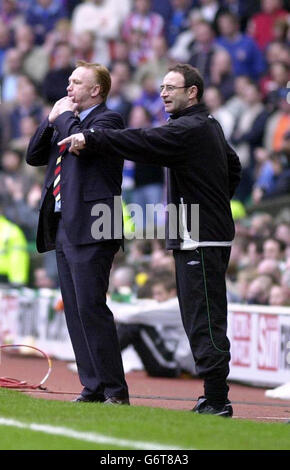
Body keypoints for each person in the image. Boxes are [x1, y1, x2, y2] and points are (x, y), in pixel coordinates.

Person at [58, 63, 242, 417]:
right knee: (199, 319)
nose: (163, 93)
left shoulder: (189, 129)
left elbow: (143, 141)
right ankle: (212, 396)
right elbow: (233, 167)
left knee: (204, 320)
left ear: (193, 93)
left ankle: (218, 399)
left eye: (171, 87)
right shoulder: (207, 126)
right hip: (200, 234)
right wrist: (213, 203)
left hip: (199, 238)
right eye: (161, 87)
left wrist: (93, 137)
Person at [26, 61, 129, 405]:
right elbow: (34, 155)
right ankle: (93, 386)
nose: (68, 88)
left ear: (96, 90)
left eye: (76, 82)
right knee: (74, 310)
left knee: (91, 307)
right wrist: (48, 120)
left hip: (94, 226)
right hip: (66, 226)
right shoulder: (65, 118)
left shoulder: (108, 119)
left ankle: (115, 390)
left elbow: (77, 142)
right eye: (69, 82)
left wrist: (62, 117)